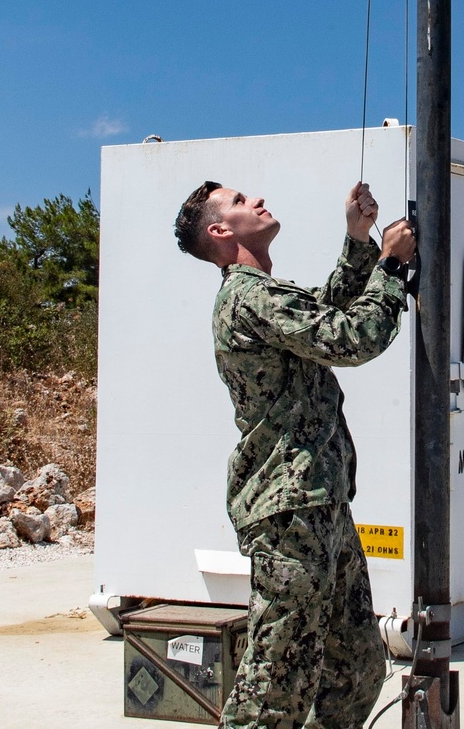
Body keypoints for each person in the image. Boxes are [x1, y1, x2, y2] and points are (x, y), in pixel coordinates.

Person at [174, 178, 416, 729]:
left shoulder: (265, 293)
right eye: (239, 202)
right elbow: (348, 337)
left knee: (354, 666)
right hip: (288, 508)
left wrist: (359, 242)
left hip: (320, 498)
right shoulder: (248, 294)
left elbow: (320, 320)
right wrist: (391, 267)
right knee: (277, 681)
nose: (255, 200)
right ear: (219, 230)